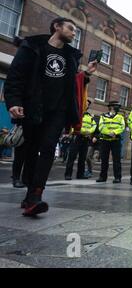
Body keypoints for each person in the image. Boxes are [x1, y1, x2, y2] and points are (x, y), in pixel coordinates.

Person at [4, 17, 97, 217]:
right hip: (33, 108)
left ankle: (36, 195)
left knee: (47, 150)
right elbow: (15, 76)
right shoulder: (32, 47)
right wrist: (13, 101)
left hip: (58, 112)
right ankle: (29, 195)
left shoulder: (71, 56)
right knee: (30, 151)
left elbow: (72, 84)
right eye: (71, 29)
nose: (74, 33)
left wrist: (86, 74)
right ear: (57, 27)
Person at [64, 99, 97, 180]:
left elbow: (94, 126)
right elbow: (72, 124)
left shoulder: (90, 116)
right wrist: (78, 131)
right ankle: (68, 175)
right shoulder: (77, 114)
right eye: (85, 103)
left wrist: (88, 131)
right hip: (76, 137)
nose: (87, 105)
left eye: (88, 104)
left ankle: (80, 174)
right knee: (72, 157)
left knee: (82, 158)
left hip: (85, 138)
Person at [97, 102, 125, 184]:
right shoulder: (103, 116)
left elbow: (122, 127)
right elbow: (101, 127)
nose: (118, 108)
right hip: (105, 140)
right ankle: (102, 177)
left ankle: (117, 177)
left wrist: (115, 132)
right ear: (111, 107)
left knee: (117, 160)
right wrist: (109, 133)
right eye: (116, 106)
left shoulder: (120, 117)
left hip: (115, 140)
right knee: (104, 159)